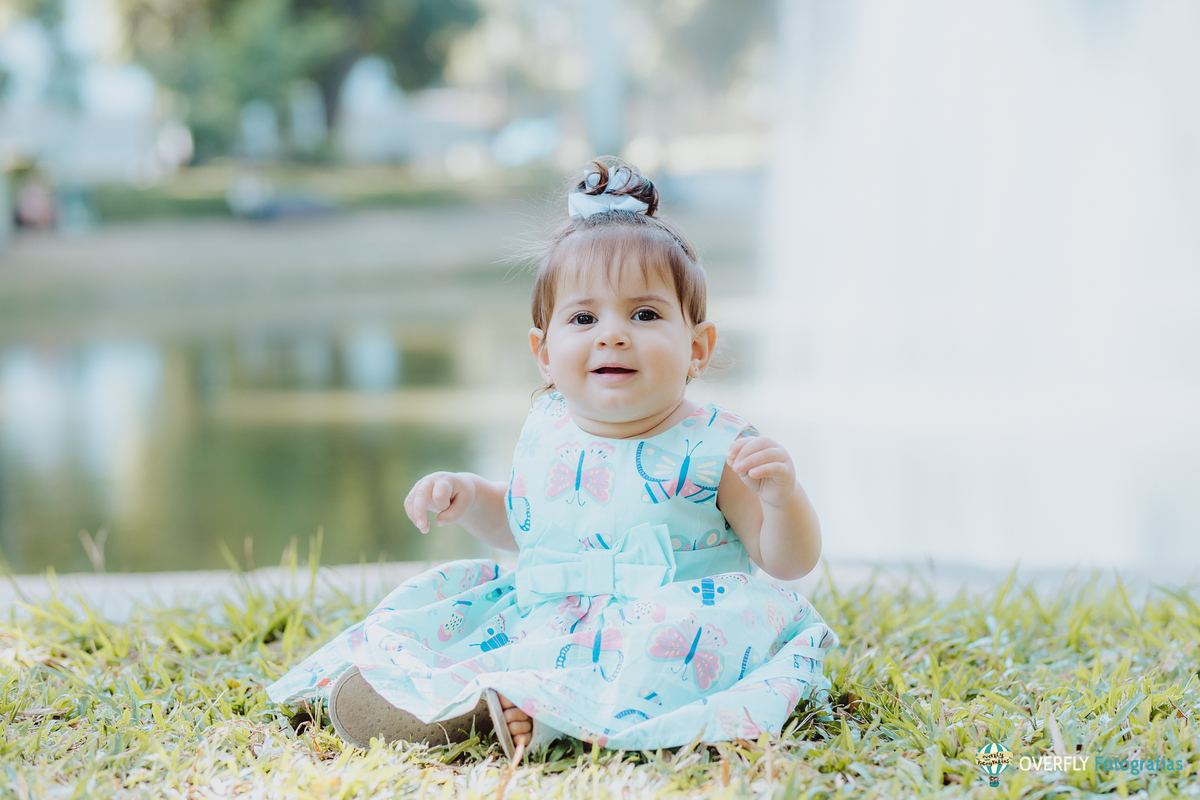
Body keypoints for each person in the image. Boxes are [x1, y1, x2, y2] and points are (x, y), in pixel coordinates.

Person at [266, 159, 838, 760]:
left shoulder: (718, 446)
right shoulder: (548, 427)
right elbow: (525, 525)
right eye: (584, 318)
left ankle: (532, 714)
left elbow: (787, 561)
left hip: (668, 622)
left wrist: (783, 499)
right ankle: (440, 695)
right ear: (543, 352)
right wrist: (468, 497)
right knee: (450, 610)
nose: (612, 334)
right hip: (552, 618)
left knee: (677, 646)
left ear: (697, 346)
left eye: (644, 315)